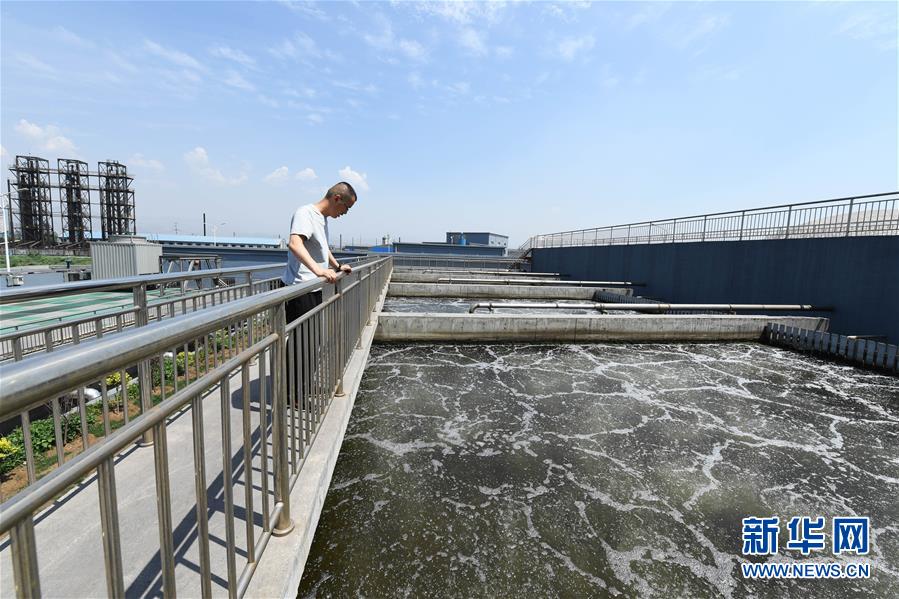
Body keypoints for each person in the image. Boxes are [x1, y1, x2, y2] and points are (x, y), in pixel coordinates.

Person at [280, 181, 356, 323]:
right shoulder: (306, 213)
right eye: (347, 207)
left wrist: (337, 267)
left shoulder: (322, 218)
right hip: (299, 288)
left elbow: (323, 247)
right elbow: (295, 244)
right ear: (337, 198)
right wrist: (319, 270)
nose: (345, 212)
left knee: (311, 339)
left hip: (313, 286)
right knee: (301, 342)